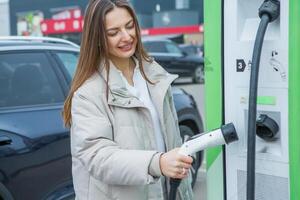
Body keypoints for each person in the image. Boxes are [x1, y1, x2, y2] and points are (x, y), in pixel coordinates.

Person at [63, 0, 194, 199]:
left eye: (129, 26)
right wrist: (157, 163)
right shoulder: (88, 92)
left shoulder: (154, 74)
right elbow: (98, 157)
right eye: (113, 32)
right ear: (97, 38)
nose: (126, 36)